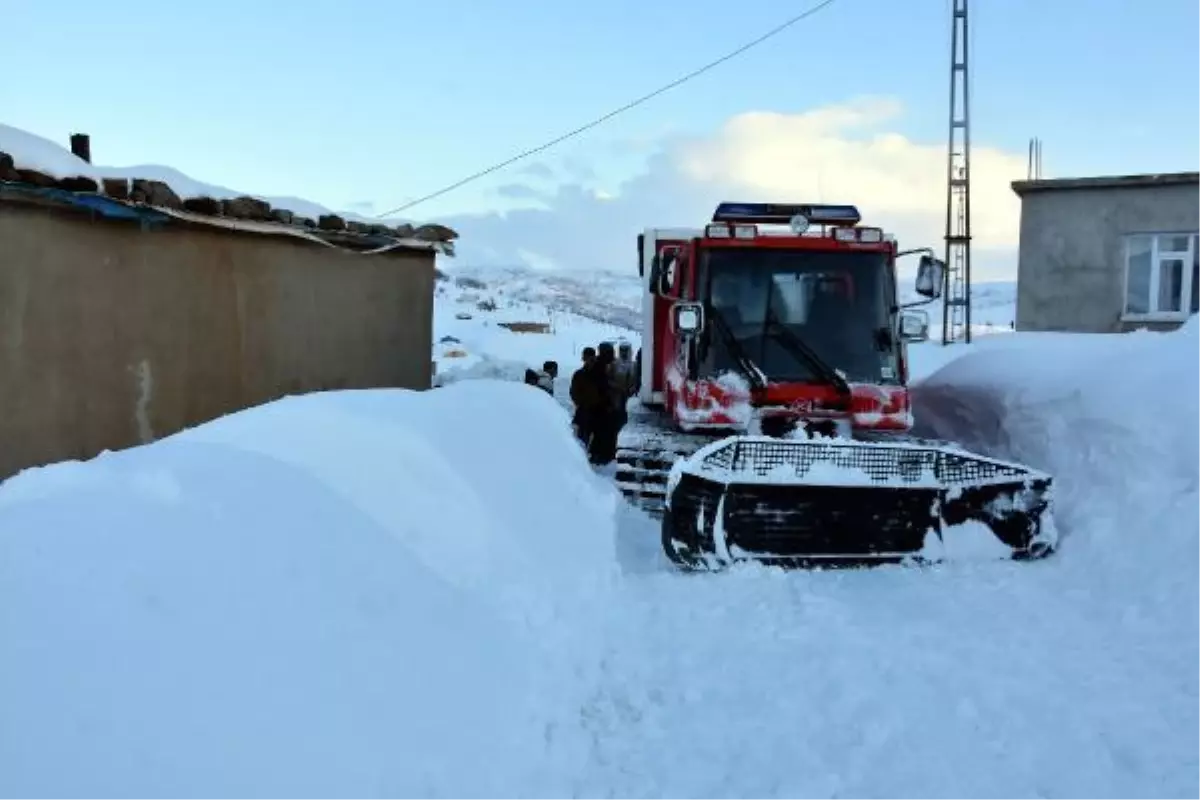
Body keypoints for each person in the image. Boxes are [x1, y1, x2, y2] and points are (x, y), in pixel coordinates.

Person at [587, 342, 620, 465]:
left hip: (607, 406)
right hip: (601, 406)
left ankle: (604, 455)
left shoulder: (610, 364)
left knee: (606, 432)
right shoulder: (598, 366)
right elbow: (599, 385)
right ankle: (600, 455)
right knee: (601, 432)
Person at [569, 347, 601, 448]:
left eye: (591, 359)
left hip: (598, 411)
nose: (589, 361)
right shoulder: (579, 374)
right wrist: (581, 403)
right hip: (584, 411)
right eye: (586, 358)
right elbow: (573, 392)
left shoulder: (600, 374)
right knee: (583, 438)